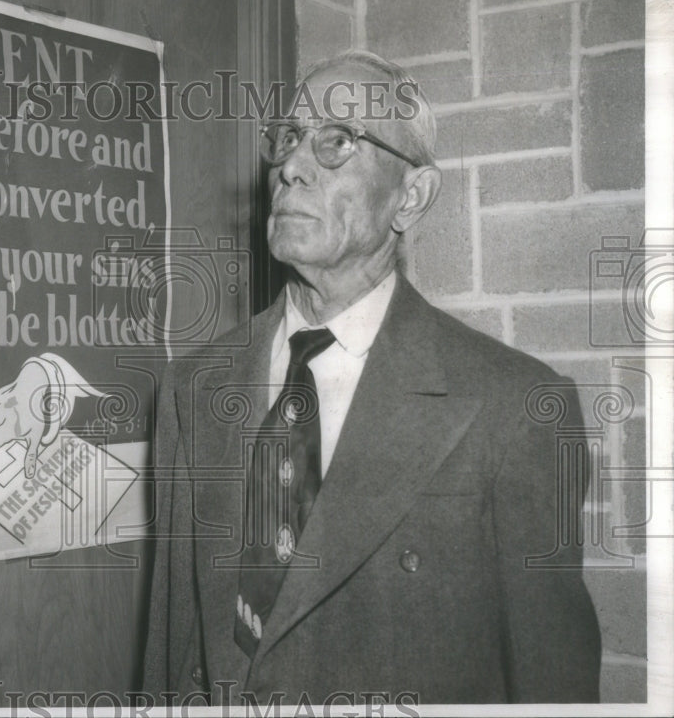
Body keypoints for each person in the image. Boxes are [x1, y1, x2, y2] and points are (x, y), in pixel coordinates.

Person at [142, 50, 601, 706]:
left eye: (336, 142)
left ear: (410, 197)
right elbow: (172, 649)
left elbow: (549, 683)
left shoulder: (515, 407)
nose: (292, 167)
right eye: (291, 138)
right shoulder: (192, 388)